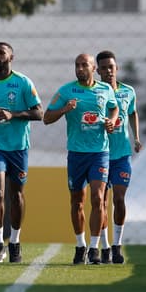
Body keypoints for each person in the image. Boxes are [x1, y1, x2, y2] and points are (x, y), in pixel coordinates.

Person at [43, 54, 118, 265]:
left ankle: (94, 248)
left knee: (98, 198)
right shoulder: (66, 91)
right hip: (76, 154)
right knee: (77, 201)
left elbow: (114, 107)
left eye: (84, 65)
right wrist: (64, 110)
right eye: (77, 65)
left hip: (100, 153)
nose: (80, 68)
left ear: (94, 68)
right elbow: (46, 118)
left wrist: (111, 121)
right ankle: (80, 244)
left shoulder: (105, 89)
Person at [0, 42, 43, 263]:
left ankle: (15, 241)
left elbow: (39, 113)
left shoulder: (22, 83)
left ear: (11, 57)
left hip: (18, 147)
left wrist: (13, 115)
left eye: (0, 53)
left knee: (17, 195)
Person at [95, 50, 142, 264]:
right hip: (100, 153)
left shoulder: (128, 91)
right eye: (103, 68)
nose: (108, 71)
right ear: (97, 70)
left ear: (117, 68)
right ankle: (104, 247)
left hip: (122, 154)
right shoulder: (95, 92)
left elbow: (132, 113)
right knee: (101, 202)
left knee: (119, 199)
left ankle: (117, 245)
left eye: (111, 67)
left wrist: (137, 138)